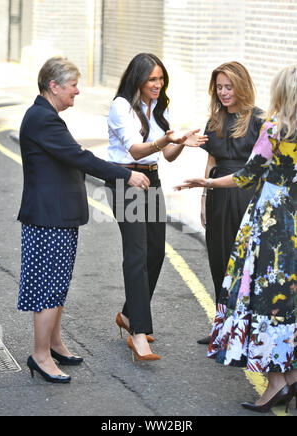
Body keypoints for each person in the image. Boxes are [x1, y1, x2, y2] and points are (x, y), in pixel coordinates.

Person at [17, 56, 150, 383]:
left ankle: (54, 344)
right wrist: (125, 176)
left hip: (55, 217)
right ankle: (41, 355)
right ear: (54, 86)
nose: (77, 91)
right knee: (49, 289)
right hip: (50, 219)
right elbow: (79, 157)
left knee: (56, 288)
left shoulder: (44, 116)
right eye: (73, 85)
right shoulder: (43, 119)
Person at [175, 63, 297, 413]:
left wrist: (206, 184)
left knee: (261, 297)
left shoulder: (273, 129)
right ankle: (290, 376)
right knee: (288, 301)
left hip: (271, 223)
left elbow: (247, 176)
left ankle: (275, 383)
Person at [105, 52, 207, 361]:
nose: (158, 85)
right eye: (152, 79)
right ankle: (138, 333)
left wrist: (181, 143)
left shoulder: (156, 107)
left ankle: (127, 314)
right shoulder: (121, 107)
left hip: (152, 180)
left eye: (161, 79)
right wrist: (166, 141)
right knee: (136, 254)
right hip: (126, 180)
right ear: (137, 78)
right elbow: (135, 148)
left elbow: (166, 155)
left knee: (156, 252)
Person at [197, 61, 263, 344]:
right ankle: (222, 328)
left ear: (242, 86)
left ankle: (246, 330)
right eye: (219, 87)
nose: (224, 93)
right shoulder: (215, 121)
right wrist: (203, 197)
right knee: (219, 258)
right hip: (218, 193)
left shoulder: (259, 119)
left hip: (248, 192)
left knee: (247, 261)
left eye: (229, 87)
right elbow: (211, 160)